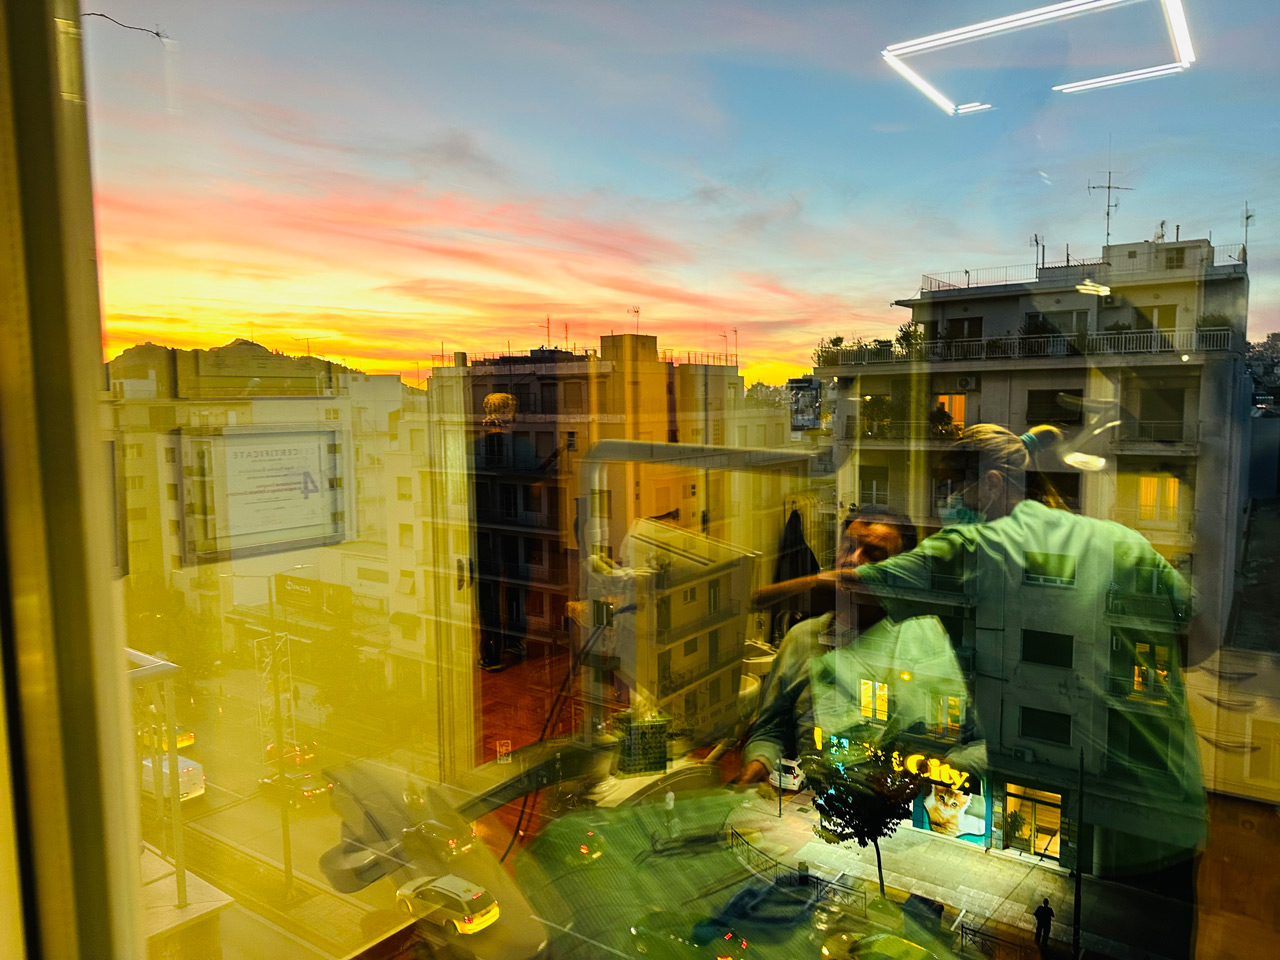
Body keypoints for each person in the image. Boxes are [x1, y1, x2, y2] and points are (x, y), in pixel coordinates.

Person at [835, 424, 1206, 896]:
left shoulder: (977, 556)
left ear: (992, 485)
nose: (948, 503)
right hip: (1170, 803)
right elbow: (1198, 639)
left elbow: (854, 586)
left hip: (1103, 807)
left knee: (1086, 920)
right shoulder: (1120, 543)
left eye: (953, 488)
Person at [737, 506, 979, 783]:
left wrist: (943, 770)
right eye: (848, 548)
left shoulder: (930, 637)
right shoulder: (802, 639)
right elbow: (771, 731)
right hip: (818, 798)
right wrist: (759, 762)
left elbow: (981, 743)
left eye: (874, 554)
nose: (853, 560)